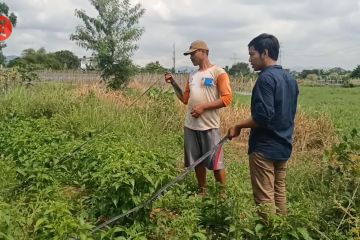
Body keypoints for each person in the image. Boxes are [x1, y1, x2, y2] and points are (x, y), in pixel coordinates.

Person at [227, 33, 299, 218]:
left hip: (265, 149)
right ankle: (281, 231)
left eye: (252, 54)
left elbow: (263, 116)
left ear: (264, 53)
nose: (249, 59)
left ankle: (269, 233)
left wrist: (238, 125)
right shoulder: (290, 79)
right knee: (279, 192)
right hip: (284, 145)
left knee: (264, 199)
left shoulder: (266, 79)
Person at [164, 40, 232, 194]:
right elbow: (185, 99)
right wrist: (173, 83)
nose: (190, 57)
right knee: (196, 162)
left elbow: (227, 98)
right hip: (191, 126)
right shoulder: (192, 75)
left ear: (204, 52)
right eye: (189, 55)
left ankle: (223, 196)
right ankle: (203, 192)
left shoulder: (218, 73)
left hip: (210, 126)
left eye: (193, 54)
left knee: (216, 163)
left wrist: (203, 107)